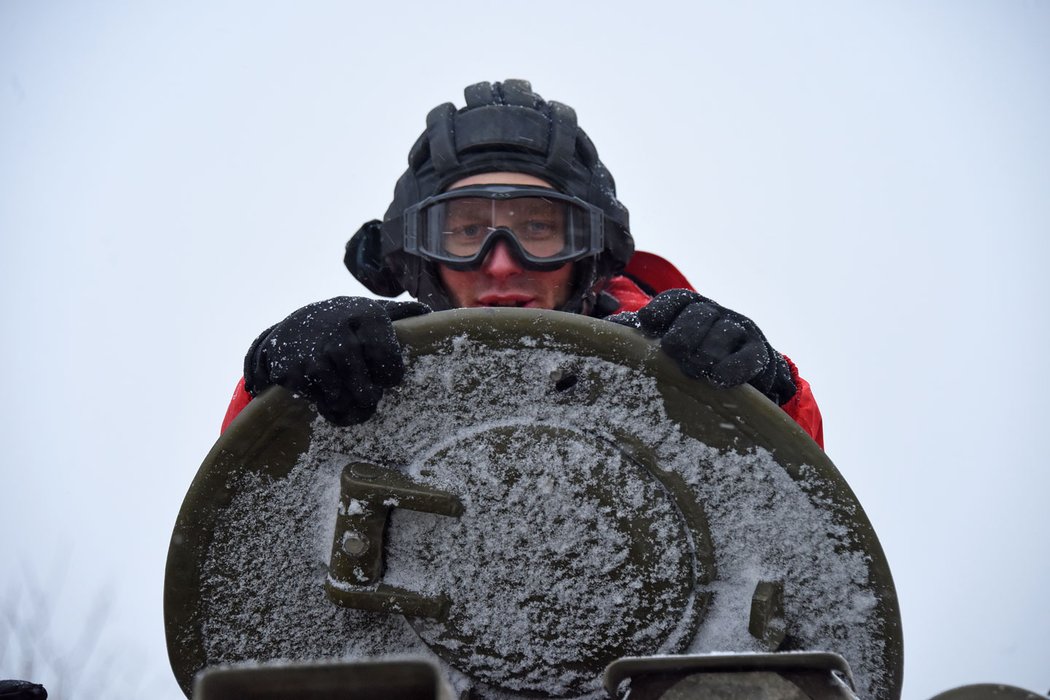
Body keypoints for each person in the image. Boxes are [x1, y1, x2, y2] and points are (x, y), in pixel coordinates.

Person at [221, 79, 823, 447]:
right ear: (419, 256)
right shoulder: (360, 375)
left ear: (591, 252)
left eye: (538, 228)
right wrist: (272, 383)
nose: (503, 263)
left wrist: (765, 390)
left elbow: (798, 525)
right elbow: (249, 530)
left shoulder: (678, 363)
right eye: (465, 232)